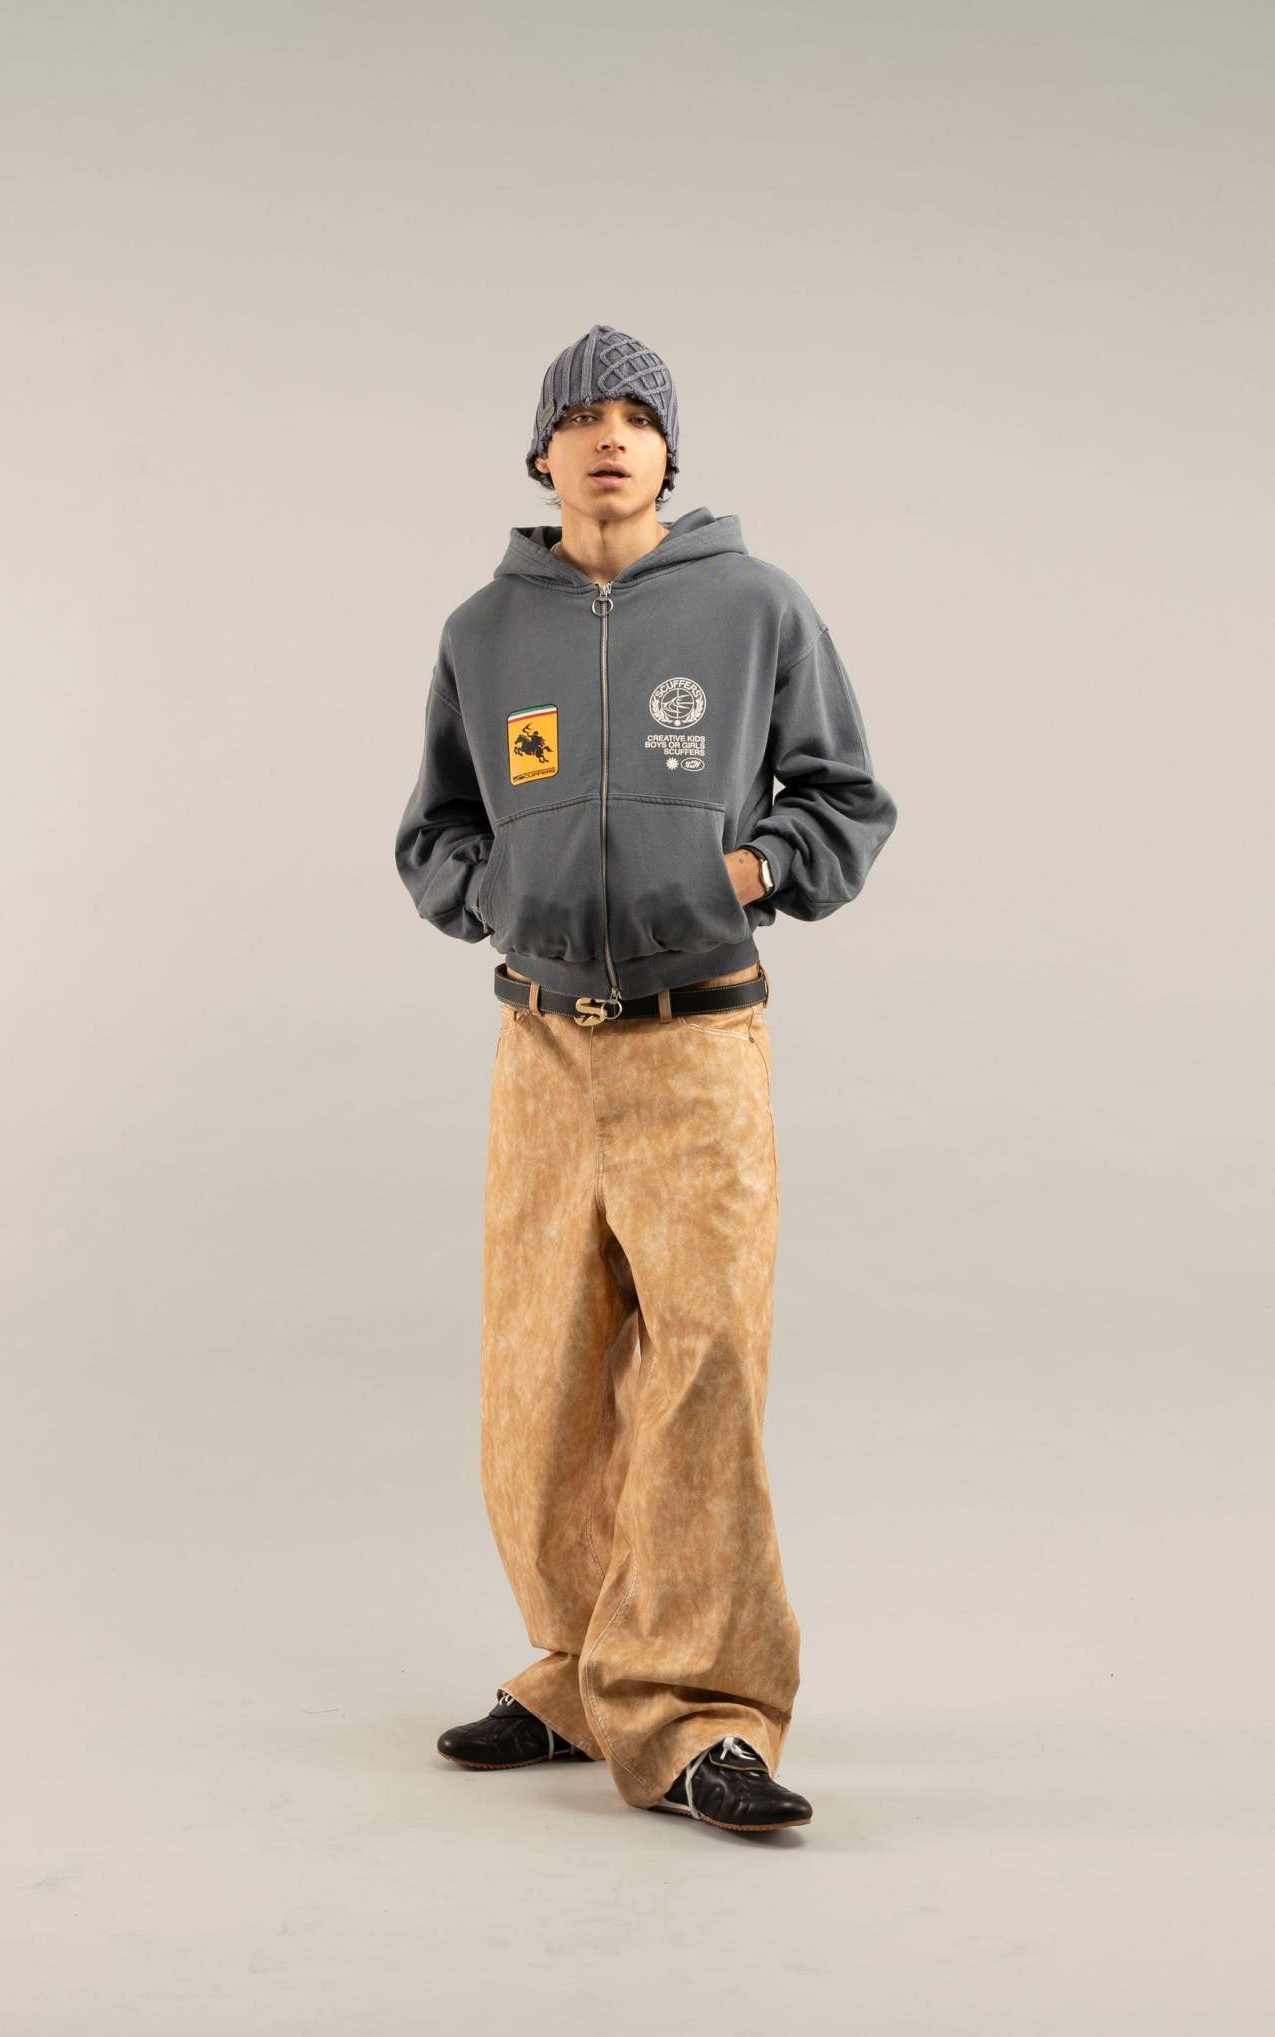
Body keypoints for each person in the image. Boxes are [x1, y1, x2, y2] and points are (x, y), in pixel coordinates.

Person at [394, 324, 898, 1836]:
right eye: (581, 417)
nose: (609, 437)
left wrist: (742, 870)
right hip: (543, 1045)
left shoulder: (756, 606)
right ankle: (579, 1670)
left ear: (670, 451)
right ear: (540, 453)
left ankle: (703, 1712)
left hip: (696, 1038)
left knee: (703, 1368)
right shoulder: (485, 629)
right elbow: (436, 830)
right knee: (538, 1382)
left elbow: (844, 799)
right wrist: (496, 896)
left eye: (636, 417)